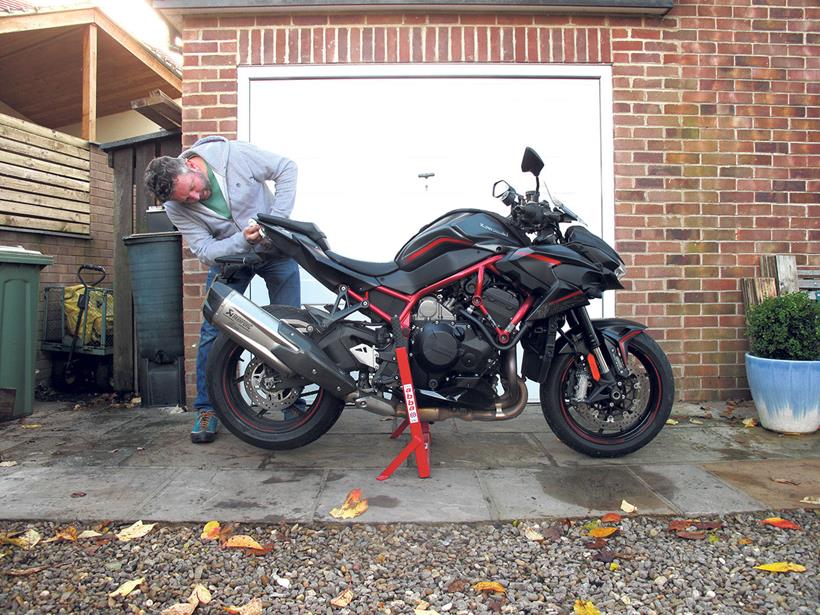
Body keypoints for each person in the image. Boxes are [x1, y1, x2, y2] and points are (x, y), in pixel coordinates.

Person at [144, 136, 300, 443]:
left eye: (192, 189)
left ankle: (293, 403)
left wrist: (275, 223)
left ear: (191, 165)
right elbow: (204, 250)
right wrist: (245, 239)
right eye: (186, 199)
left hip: (276, 252)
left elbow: (286, 168)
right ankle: (207, 408)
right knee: (212, 333)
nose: (194, 198)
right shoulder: (176, 206)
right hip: (231, 260)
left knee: (291, 326)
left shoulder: (234, 155)